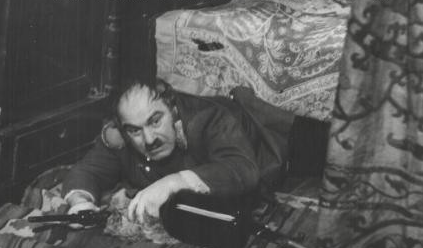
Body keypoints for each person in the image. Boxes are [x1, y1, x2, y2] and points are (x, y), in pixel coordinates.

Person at [62, 79, 296, 224]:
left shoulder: (209, 119)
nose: (149, 139)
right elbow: (86, 171)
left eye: (155, 121)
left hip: (280, 146)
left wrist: (175, 183)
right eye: (135, 130)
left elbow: (242, 170)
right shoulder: (120, 135)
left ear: (172, 109)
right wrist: (80, 202)